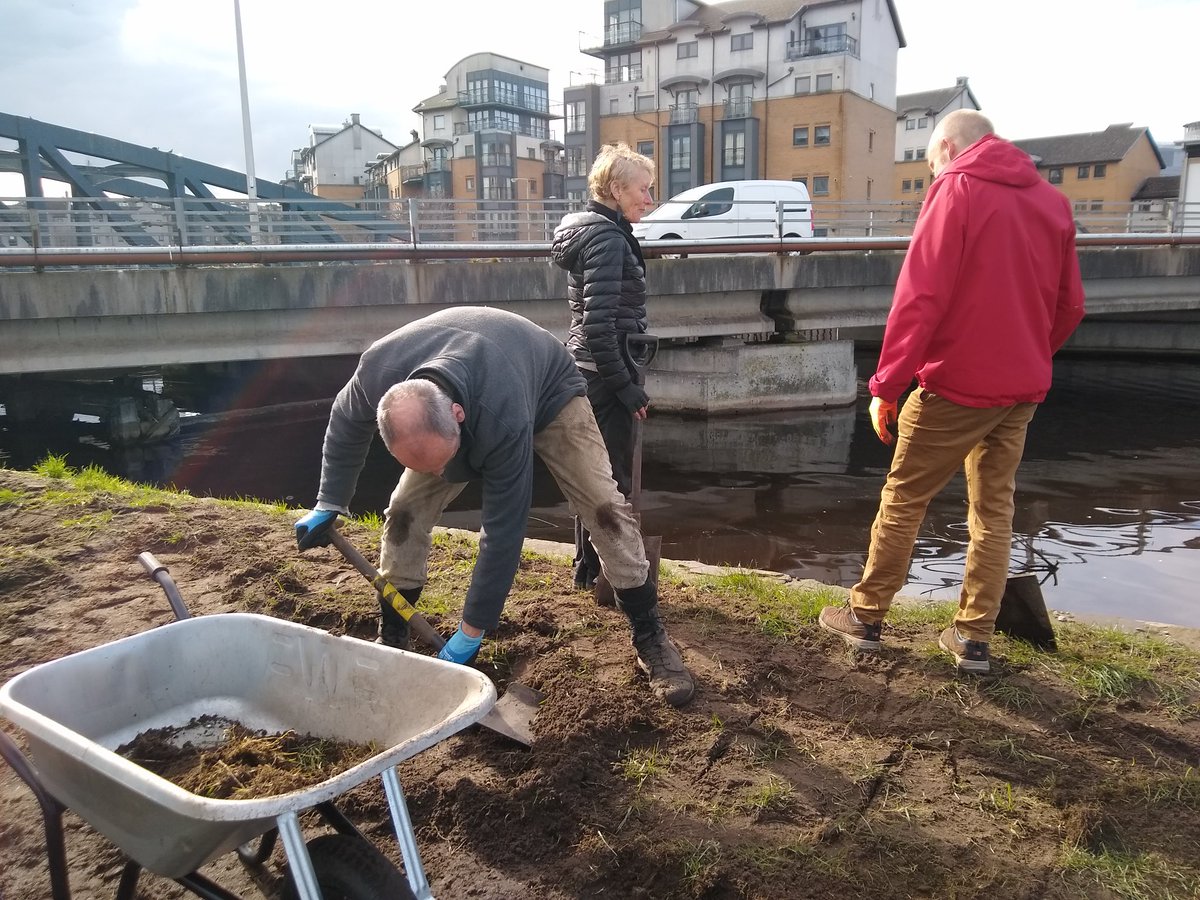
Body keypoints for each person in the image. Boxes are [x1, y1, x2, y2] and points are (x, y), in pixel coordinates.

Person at [293, 306, 695, 707]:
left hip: (550, 393)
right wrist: (330, 501)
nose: (438, 475)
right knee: (404, 510)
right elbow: (345, 422)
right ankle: (394, 631)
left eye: (443, 463)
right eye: (424, 466)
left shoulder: (501, 417)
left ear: (458, 415)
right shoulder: (377, 373)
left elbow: (502, 532)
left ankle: (649, 633)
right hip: (483, 379)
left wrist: (473, 629)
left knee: (604, 507)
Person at [819, 109, 1086, 674]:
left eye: (930, 158)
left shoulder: (956, 188)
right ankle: (973, 639)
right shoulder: (1053, 202)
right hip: (1021, 390)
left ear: (945, 146)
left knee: (905, 497)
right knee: (994, 510)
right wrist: (1031, 354)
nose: (931, 167)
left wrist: (887, 385)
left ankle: (865, 616)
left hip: (956, 384)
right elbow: (1070, 307)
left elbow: (921, 297)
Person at [550, 143, 656, 591]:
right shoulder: (609, 240)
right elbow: (598, 325)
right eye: (643, 190)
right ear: (615, 189)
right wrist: (625, 386)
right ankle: (602, 572)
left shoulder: (594, 232)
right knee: (606, 476)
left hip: (592, 367)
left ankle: (587, 566)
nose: (649, 200)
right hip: (602, 370)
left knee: (595, 472)